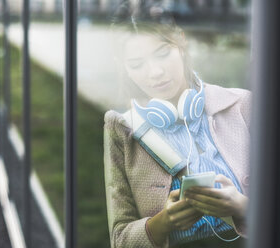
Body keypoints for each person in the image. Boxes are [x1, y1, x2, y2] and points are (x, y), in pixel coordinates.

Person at [104, 9, 251, 248]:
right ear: (124, 67)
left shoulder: (242, 105)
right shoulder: (122, 129)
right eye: (137, 64)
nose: (155, 72)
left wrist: (242, 207)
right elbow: (120, 240)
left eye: (163, 54)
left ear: (181, 41)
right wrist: (164, 222)